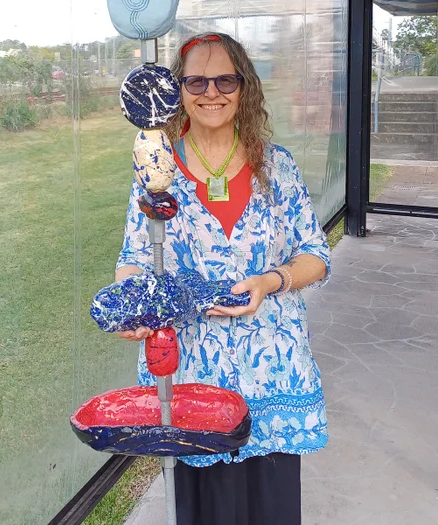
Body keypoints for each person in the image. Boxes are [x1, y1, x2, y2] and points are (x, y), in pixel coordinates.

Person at [115, 32, 331, 525]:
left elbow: (316, 255)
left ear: (244, 86)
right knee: (204, 510)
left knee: (270, 509)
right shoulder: (156, 170)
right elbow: (134, 256)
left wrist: (271, 280)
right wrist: (133, 302)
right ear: (177, 89)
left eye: (225, 79)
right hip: (192, 371)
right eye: (196, 80)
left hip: (273, 372)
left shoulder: (277, 168)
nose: (211, 92)